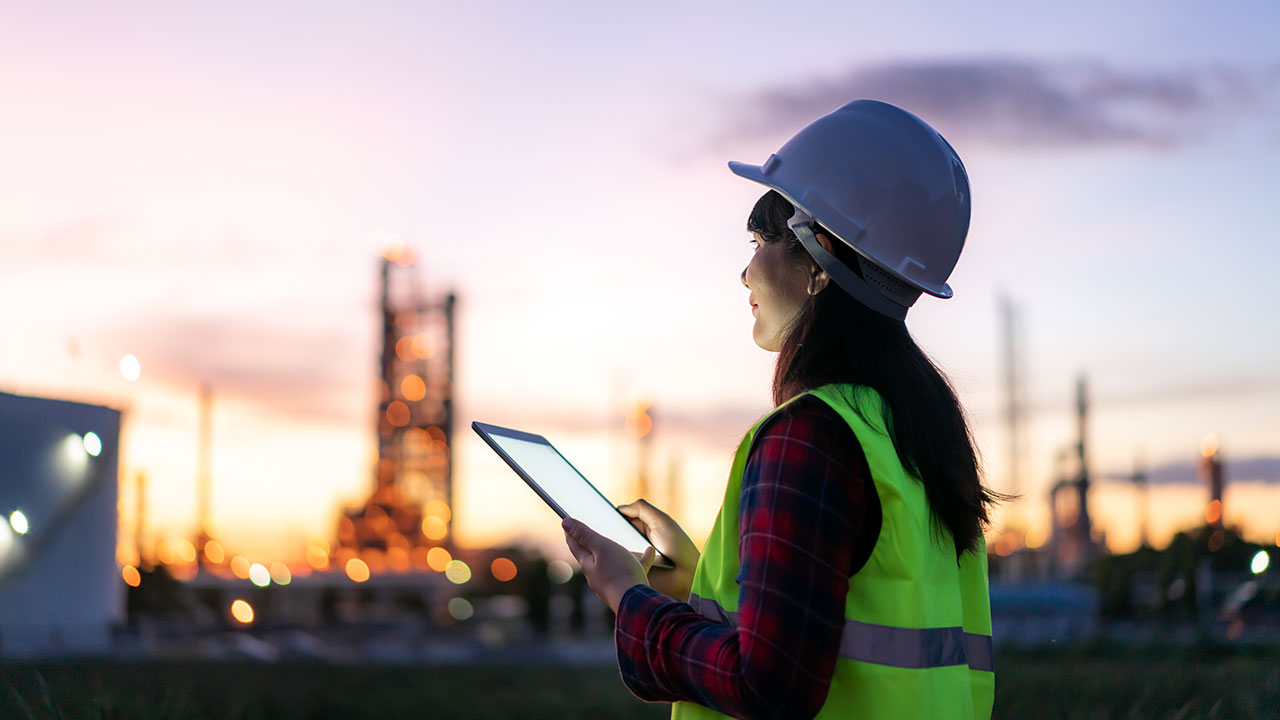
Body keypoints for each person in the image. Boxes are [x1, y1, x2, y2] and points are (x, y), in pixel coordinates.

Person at [562, 99, 1001, 720]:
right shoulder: (912, 433)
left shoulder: (810, 438)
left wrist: (626, 593)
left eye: (762, 240)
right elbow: (842, 633)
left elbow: (770, 683)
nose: (745, 273)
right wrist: (693, 584)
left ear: (819, 254)